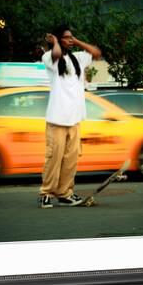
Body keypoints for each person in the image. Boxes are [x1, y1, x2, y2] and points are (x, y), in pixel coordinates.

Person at [38, 25, 102, 208]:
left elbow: (96, 53)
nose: (70, 40)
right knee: (54, 158)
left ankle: (65, 193)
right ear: (57, 39)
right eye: (66, 37)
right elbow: (56, 54)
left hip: (74, 119)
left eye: (71, 37)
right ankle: (46, 193)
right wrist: (57, 42)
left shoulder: (78, 59)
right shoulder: (49, 57)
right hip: (57, 119)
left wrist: (77, 41)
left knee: (70, 159)